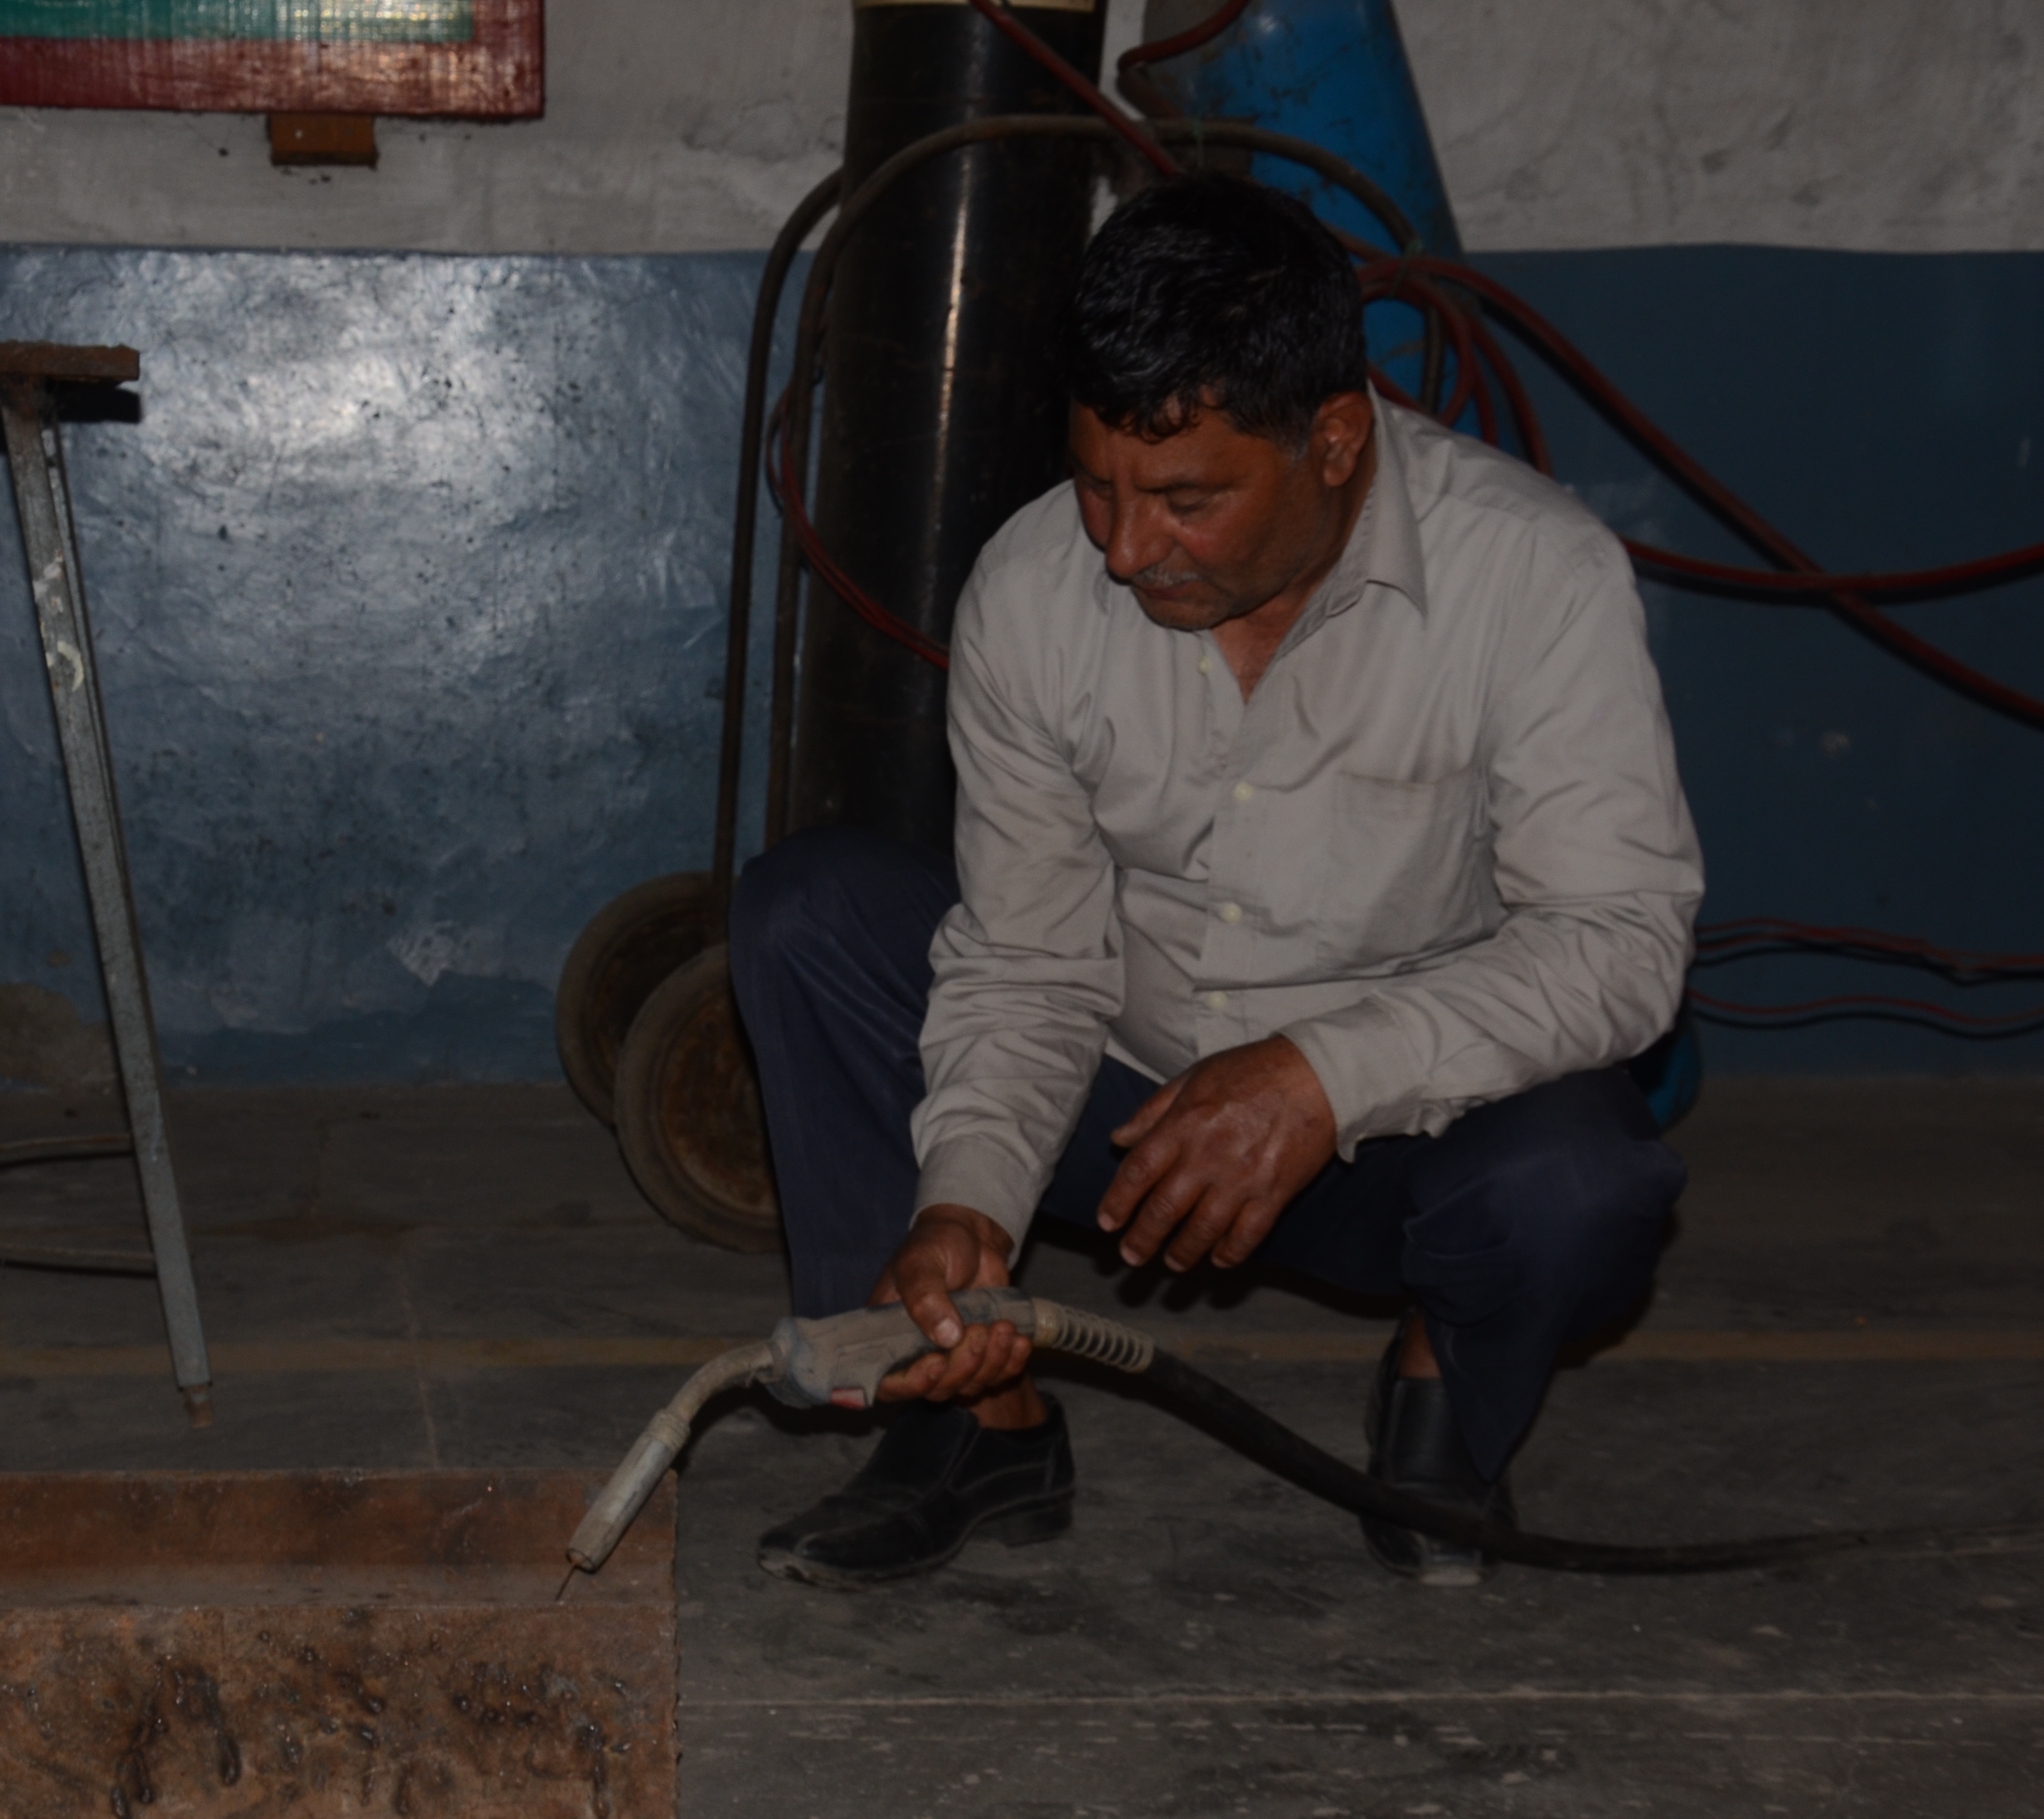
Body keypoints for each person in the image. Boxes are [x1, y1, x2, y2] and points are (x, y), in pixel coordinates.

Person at [729, 173, 1702, 1589]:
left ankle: (1441, 1384)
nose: (1126, 550)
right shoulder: (1033, 590)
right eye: (1098, 486)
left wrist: (1319, 1077)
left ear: (1333, 441)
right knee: (809, 914)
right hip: (1125, 1110)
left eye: (1186, 501)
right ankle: (968, 1420)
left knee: (1583, 1183)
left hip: (1395, 1140)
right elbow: (1029, 961)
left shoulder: (1535, 579)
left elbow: (1620, 942)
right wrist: (965, 1202)